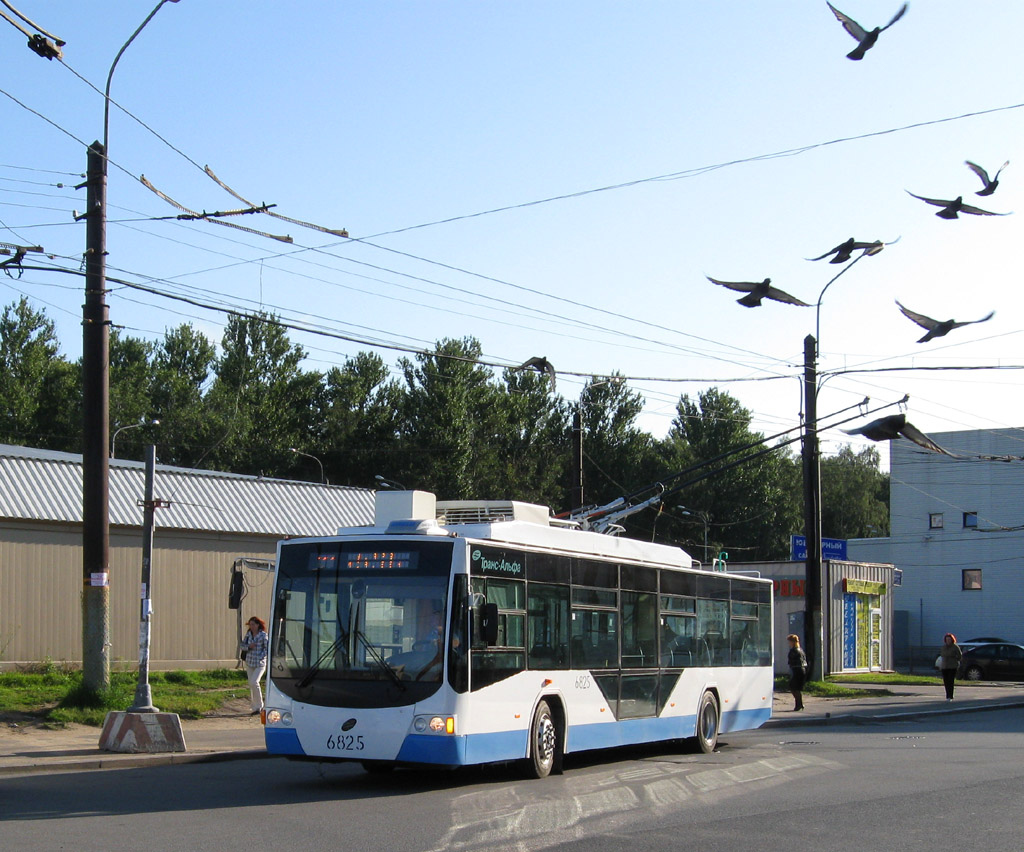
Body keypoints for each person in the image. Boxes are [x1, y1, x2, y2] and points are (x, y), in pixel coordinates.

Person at [241, 616, 269, 714]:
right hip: (249, 662)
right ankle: (255, 706)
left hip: (259, 664)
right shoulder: (248, 635)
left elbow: (267, 648)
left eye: (253, 624)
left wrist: (261, 656)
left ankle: (260, 706)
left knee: (254, 682)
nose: (252, 627)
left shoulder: (263, 635)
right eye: (250, 625)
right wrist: (249, 646)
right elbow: (242, 646)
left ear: (258, 625)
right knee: (251, 684)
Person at [938, 632, 963, 701]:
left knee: (950, 681)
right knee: (946, 681)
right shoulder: (943, 647)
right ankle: (947, 695)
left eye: (949, 639)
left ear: (952, 639)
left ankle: (950, 696)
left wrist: (955, 659)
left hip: (952, 666)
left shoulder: (955, 647)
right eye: (947, 639)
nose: (948, 641)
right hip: (944, 666)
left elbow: (960, 656)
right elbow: (941, 655)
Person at [787, 633, 807, 711]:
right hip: (802, 670)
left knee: (793, 687)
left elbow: (791, 661)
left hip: (797, 670)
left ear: (792, 642)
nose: (789, 643)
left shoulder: (794, 650)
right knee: (796, 688)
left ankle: (799, 704)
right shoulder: (800, 650)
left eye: (789, 641)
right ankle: (800, 704)